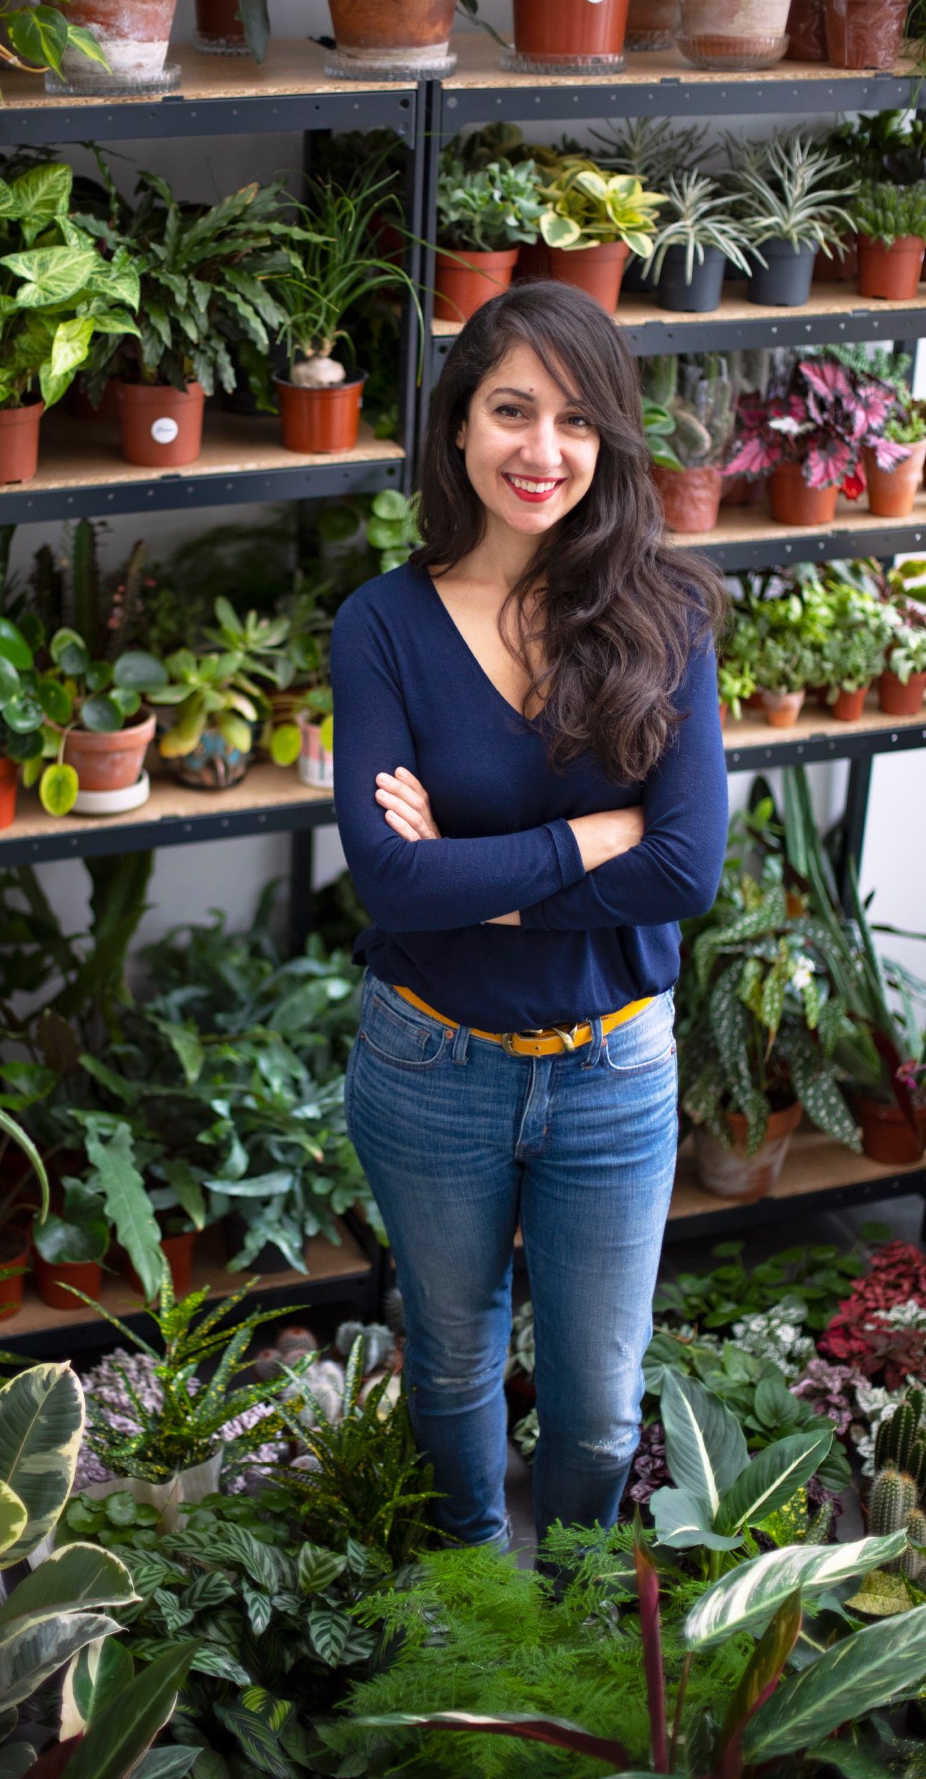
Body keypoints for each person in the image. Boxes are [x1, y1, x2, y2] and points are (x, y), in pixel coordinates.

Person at [331, 281, 729, 1552]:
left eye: (573, 419)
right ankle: (466, 1604)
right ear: (457, 428)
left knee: (599, 1410)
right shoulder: (381, 626)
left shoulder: (662, 616)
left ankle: (568, 1612)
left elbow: (684, 872)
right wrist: (582, 839)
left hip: (613, 1067)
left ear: (608, 441)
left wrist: (483, 878)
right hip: (430, 1059)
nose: (539, 451)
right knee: (449, 1367)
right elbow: (392, 885)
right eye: (510, 410)